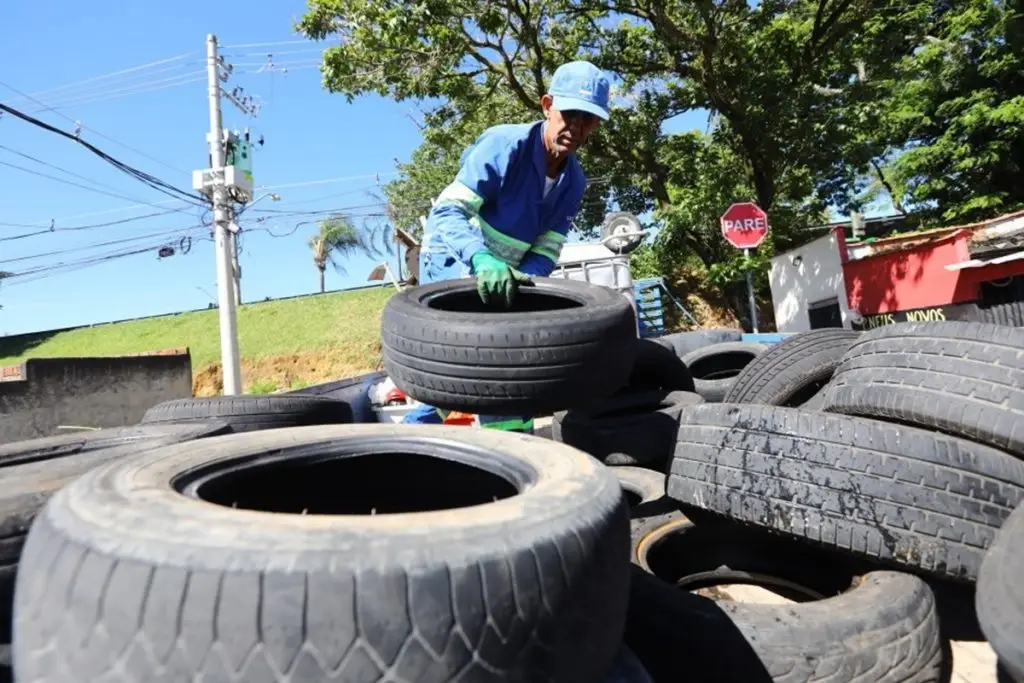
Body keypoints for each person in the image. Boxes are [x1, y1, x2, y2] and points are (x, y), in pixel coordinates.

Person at [402, 60, 611, 433]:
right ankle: (409, 446)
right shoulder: (505, 144)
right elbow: (447, 213)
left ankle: (515, 458)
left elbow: (546, 250)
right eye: (569, 114)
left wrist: (526, 285)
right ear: (547, 106)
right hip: (454, 259)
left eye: (589, 119)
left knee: (507, 371)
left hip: (506, 271)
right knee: (451, 372)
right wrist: (481, 258)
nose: (576, 127)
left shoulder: (574, 182)